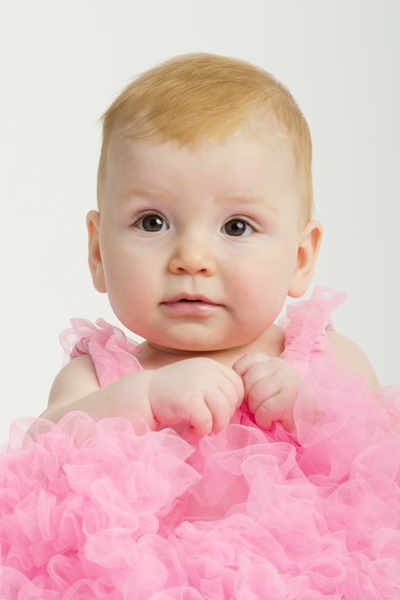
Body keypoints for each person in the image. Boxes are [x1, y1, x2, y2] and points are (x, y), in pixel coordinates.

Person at [1, 53, 399, 599]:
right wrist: (144, 398)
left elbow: (382, 471)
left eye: (236, 226)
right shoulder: (103, 375)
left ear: (301, 257)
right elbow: (39, 460)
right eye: (152, 222)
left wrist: (309, 408)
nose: (192, 257)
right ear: (97, 251)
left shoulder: (320, 356)